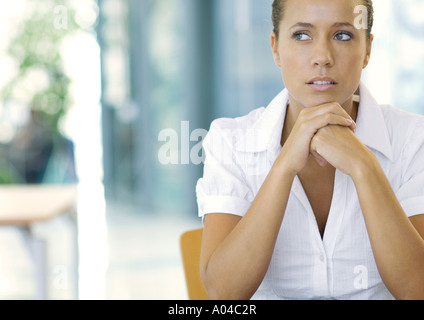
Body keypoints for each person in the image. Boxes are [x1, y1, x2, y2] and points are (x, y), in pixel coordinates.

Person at [196, 0, 424, 300]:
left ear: (367, 49)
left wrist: (364, 167)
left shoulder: (412, 138)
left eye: (342, 35)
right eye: (302, 35)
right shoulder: (230, 141)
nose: (322, 57)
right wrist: (283, 166)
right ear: (275, 48)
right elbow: (223, 294)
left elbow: (417, 290)